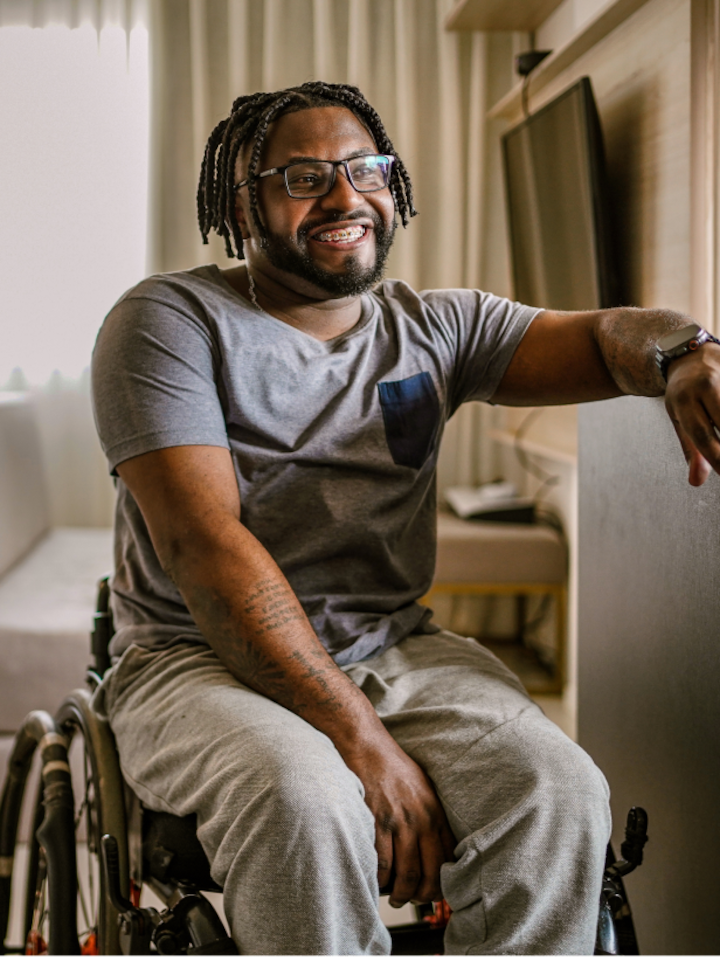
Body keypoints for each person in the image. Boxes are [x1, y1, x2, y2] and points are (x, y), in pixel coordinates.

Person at [92, 82, 720, 958]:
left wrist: (689, 352)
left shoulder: (437, 328)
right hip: (193, 659)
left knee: (558, 787)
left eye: (366, 169)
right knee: (305, 798)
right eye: (305, 176)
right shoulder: (168, 322)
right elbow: (206, 548)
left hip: (390, 645)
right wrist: (363, 741)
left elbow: (606, 336)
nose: (346, 197)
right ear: (245, 204)